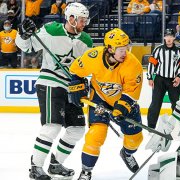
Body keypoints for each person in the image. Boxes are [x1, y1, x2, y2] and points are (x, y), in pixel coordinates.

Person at [15, 2, 92, 179]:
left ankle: (56, 164)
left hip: (71, 88)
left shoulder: (86, 40)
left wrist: (83, 82)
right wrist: (23, 34)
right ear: (71, 18)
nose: (84, 24)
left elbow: (88, 67)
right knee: (52, 126)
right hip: (50, 82)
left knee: (77, 129)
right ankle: (36, 167)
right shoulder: (51, 30)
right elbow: (26, 46)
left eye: (85, 20)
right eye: (81, 20)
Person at [68, 28, 143, 179]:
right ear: (109, 48)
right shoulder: (93, 56)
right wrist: (77, 85)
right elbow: (76, 70)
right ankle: (86, 171)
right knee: (95, 135)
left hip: (124, 102)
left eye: (126, 49)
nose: (125, 53)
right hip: (99, 99)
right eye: (121, 50)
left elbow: (131, 91)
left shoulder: (133, 64)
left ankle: (127, 154)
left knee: (135, 140)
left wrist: (121, 107)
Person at [147, 28, 180, 129]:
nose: (168, 38)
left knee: (176, 104)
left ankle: (177, 126)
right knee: (155, 103)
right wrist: (150, 77)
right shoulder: (158, 50)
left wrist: (179, 77)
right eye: (167, 36)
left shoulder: (179, 51)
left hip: (174, 81)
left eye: (171, 36)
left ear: (174, 38)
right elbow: (151, 63)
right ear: (164, 37)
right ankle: (151, 126)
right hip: (160, 80)